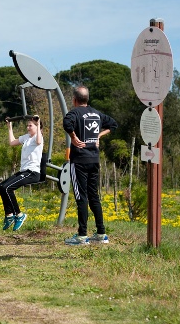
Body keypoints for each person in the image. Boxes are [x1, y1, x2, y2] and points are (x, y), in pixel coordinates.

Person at [63, 85, 118, 245]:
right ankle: (101, 234)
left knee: (81, 196)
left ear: (74, 100)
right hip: (94, 159)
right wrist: (98, 136)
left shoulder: (73, 113)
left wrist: (73, 137)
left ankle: (81, 236)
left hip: (79, 160)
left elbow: (67, 124)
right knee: (94, 196)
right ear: (87, 99)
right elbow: (113, 124)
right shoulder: (97, 113)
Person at [0, 116, 43, 231]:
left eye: (30, 126)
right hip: (24, 170)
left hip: (32, 172)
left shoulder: (38, 137)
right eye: (27, 125)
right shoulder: (27, 137)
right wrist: (10, 127)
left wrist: (38, 125)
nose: (28, 128)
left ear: (37, 126)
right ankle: (9, 215)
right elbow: (12, 142)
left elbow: (38, 141)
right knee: (1, 186)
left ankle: (19, 214)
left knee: (8, 188)